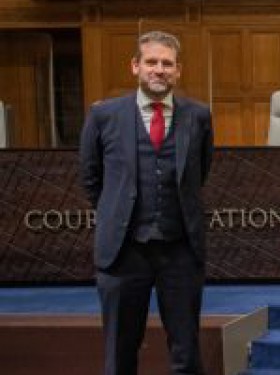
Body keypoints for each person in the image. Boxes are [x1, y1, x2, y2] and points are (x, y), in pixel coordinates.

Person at [79, 30, 214, 375]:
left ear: (178, 70)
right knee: (120, 353)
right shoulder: (103, 116)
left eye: (167, 63)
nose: (159, 69)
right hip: (123, 251)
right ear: (135, 67)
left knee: (186, 352)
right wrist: (119, 214)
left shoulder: (198, 116)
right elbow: (91, 178)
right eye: (151, 62)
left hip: (180, 249)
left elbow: (199, 173)